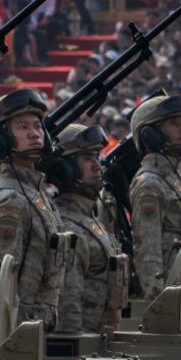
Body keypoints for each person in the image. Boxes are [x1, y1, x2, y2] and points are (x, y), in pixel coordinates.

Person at [0, 89, 67, 329]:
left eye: (37, 126)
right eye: (22, 127)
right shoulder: (9, 199)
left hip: (37, 324)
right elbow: (1, 280)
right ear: (1, 139)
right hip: (19, 327)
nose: (34, 134)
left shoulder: (37, 193)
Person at [48, 123, 128, 334]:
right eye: (87, 159)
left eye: (96, 157)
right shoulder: (68, 227)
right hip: (83, 348)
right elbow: (67, 308)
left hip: (99, 340)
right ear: (65, 169)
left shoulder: (89, 217)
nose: (96, 166)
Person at [128, 94, 181, 299]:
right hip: (167, 298)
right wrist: (160, 305)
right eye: (173, 123)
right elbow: (147, 252)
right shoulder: (150, 184)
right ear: (151, 134)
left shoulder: (172, 180)